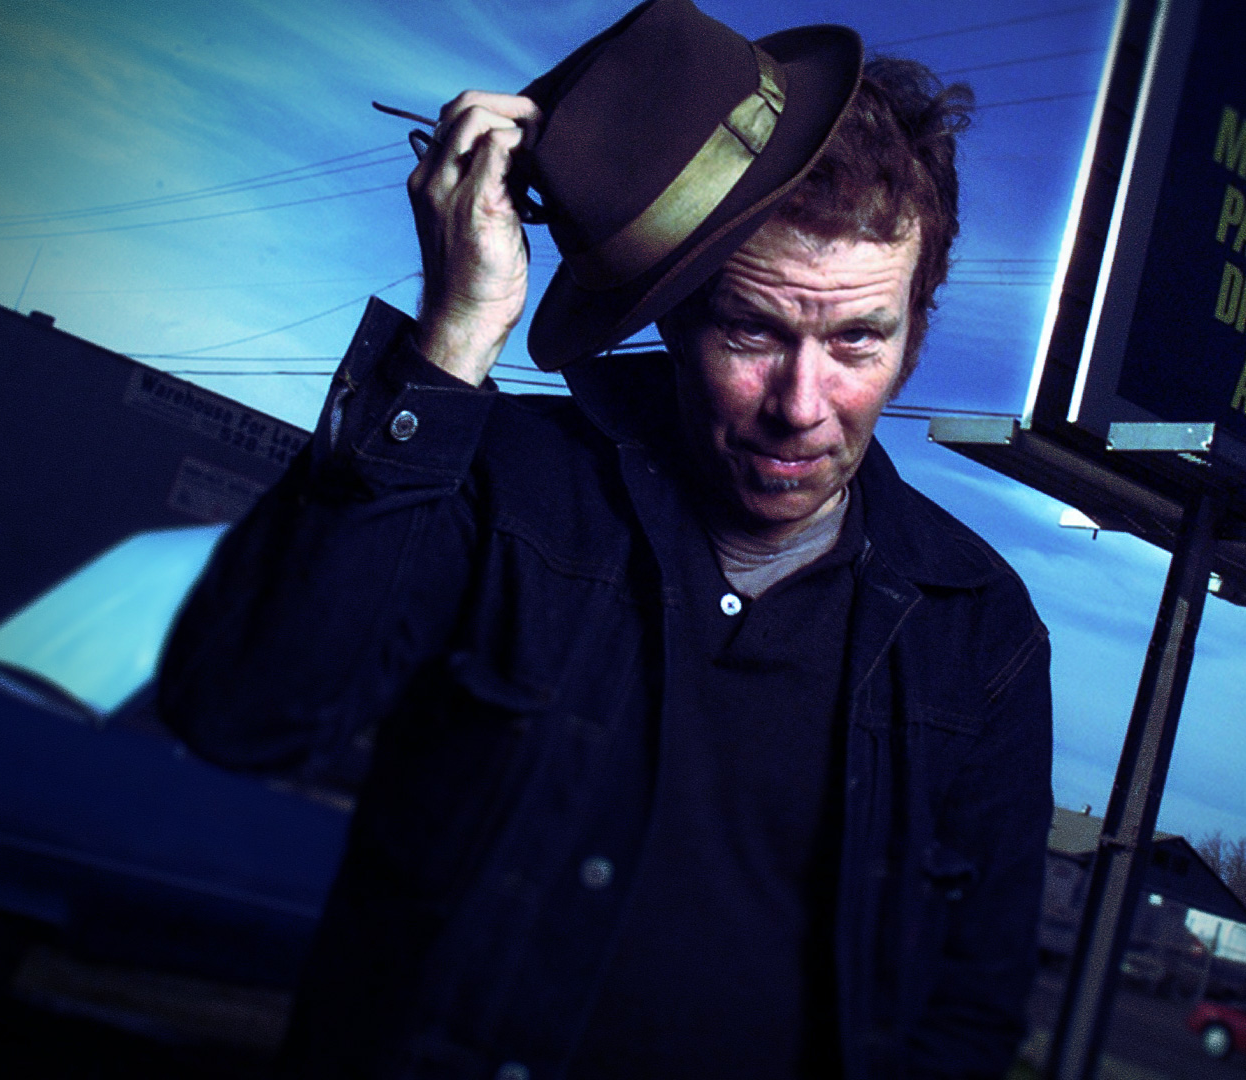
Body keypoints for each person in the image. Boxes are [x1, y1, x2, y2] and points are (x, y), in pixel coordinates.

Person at [158, 1, 1053, 1076]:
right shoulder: (498, 479)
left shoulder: (978, 630)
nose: (801, 405)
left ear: (918, 331)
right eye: (752, 330)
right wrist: (451, 341)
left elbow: (967, 1016)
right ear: (672, 318)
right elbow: (245, 714)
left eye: (859, 338)